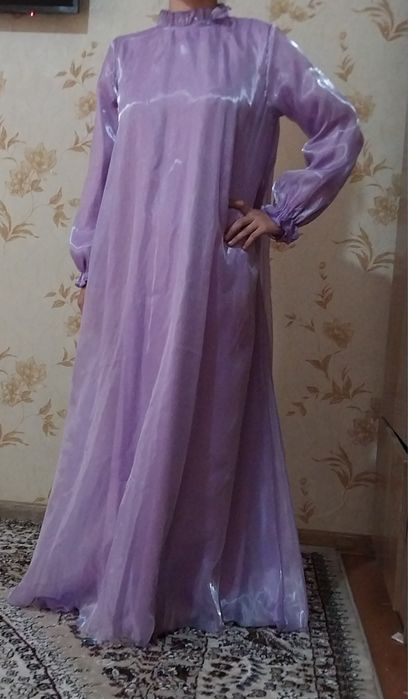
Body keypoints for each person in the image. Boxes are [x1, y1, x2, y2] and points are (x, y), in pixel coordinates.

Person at [7, 0, 363, 646]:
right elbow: (103, 173)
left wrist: (280, 211)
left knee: (206, 416)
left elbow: (339, 128)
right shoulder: (126, 58)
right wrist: (90, 262)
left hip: (213, 274)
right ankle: (121, 567)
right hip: (130, 274)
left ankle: (190, 577)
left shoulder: (261, 50)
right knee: (127, 413)